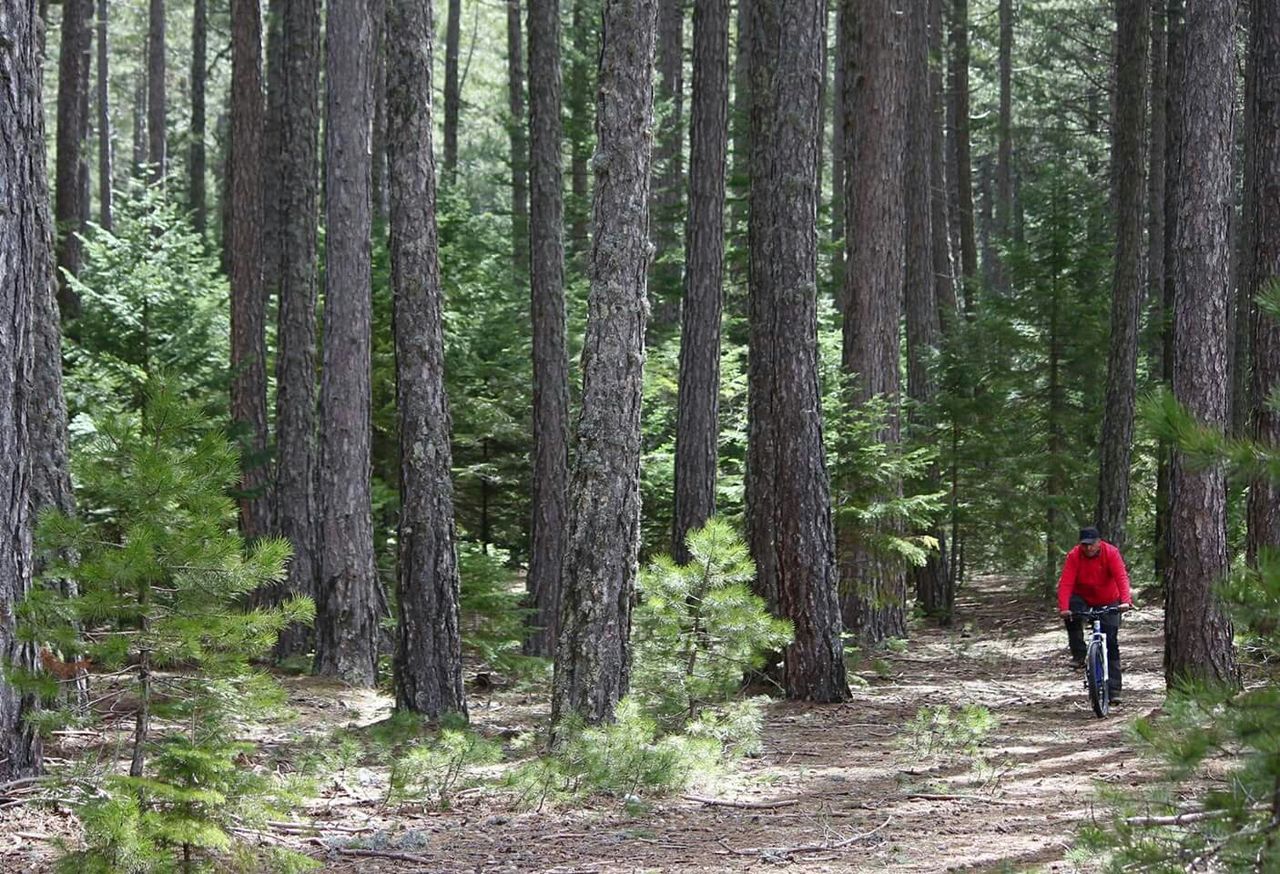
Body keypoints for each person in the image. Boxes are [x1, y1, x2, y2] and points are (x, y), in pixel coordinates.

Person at [1057, 526, 1133, 704]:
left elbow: (1121, 577)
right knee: (1072, 614)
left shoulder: (1111, 553)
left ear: (1099, 542)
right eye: (1085, 545)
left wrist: (1125, 601)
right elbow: (1066, 583)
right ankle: (1079, 655)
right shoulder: (1074, 556)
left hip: (1108, 598)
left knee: (1111, 641)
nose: (1088, 548)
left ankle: (1114, 690)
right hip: (1082, 596)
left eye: (1091, 544)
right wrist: (1064, 607)